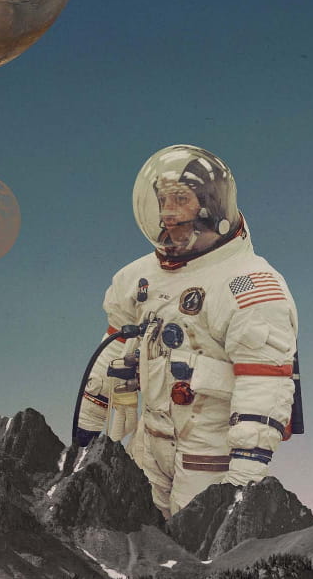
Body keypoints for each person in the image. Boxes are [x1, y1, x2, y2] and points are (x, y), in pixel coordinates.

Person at [71, 145, 300, 515]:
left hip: (207, 454)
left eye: (180, 199)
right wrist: (88, 426)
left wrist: (243, 477)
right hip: (148, 441)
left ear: (210, 205)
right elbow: (113, 348)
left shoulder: (248, 285)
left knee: (190, 541)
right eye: (163, 200)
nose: (168, 212)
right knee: (135, 531)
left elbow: (263, 385)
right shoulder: (139, 277)